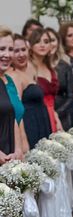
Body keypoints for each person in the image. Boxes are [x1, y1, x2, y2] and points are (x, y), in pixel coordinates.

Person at [29, 28, 62, 133]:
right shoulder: (28, 67)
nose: (42, 45)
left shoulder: (50, 67)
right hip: (37, 115)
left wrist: (56, 117)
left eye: (46, 42)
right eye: (38, 41)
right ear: (31, 45)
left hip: (53, 113)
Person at [45, 27, 73, 131]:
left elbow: (71, 96)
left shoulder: (65, 66)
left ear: (58, 42)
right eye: (46, 41)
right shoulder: (35, 67)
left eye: (53, 40)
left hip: (63, 117)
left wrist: (57, 113)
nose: (50, 44)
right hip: (43, 116)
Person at [0, 27, 20, 163]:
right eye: (1, 49)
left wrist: (18, 150)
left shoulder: (3, 81)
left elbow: (12, 118)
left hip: (8, 159)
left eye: (10, 49)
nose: (7, 55)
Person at [7, 34, 30, 153]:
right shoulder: (13, 77)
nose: (6, 54)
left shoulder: (9, 79)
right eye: (15, 50)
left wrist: (22, 147)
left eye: (10, 50)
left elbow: (17, 115)